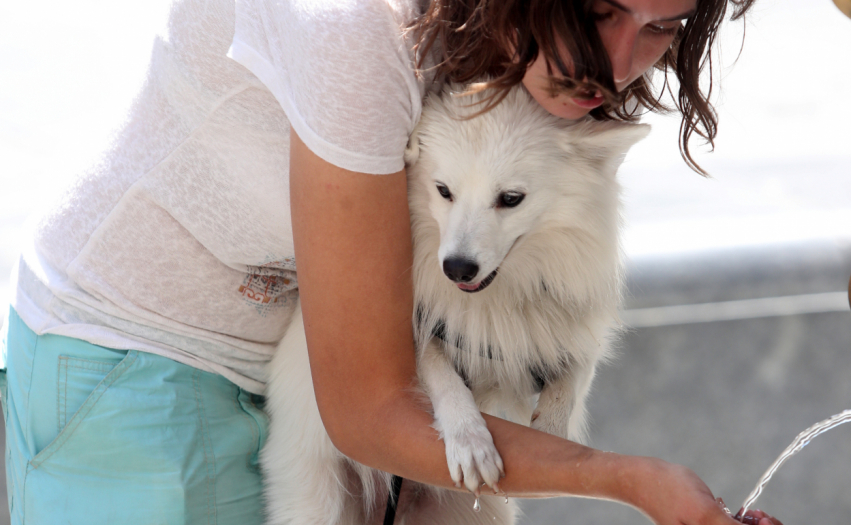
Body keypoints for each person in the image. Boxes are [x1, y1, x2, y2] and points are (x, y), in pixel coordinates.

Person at [0, 0, 783, 523]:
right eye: (601, 11)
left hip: (290, 351)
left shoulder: (488, 34)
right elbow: (371, 409)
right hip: (139, 359)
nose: (616, 64)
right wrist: (629, 480)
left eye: (662, 26)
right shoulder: (354, 31)